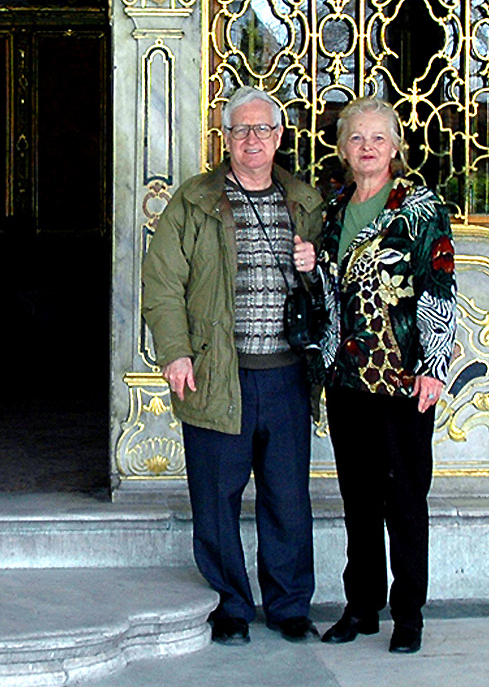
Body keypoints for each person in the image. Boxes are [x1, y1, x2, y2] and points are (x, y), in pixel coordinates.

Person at [140, 85, 325, 646]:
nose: (252, 141)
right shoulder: (193, 201)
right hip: (218, 373)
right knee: (216, 498)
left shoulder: (307, 204)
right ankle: (230, 605)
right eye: (241, 130)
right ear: (226, 137)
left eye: (263, 130)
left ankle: (290, 605)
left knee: (287, 497)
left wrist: (315, 264)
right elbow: (162, 283)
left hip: (287, 374)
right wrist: (175, 351)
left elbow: (341, 286)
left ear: (280, 135)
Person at [295, 96, 457, 655]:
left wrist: (434, 366)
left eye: (378, 138)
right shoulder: (335, 207)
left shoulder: (419, 207)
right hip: (347, 379)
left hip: (402, 377)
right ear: (343, 149)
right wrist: (314, 269)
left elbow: (438, 285)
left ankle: (407, 614)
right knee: (358, 499)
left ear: (395, 148)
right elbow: (332, 294)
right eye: (357, 138)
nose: (367, 147)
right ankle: (362, 606)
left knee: (405, 499)